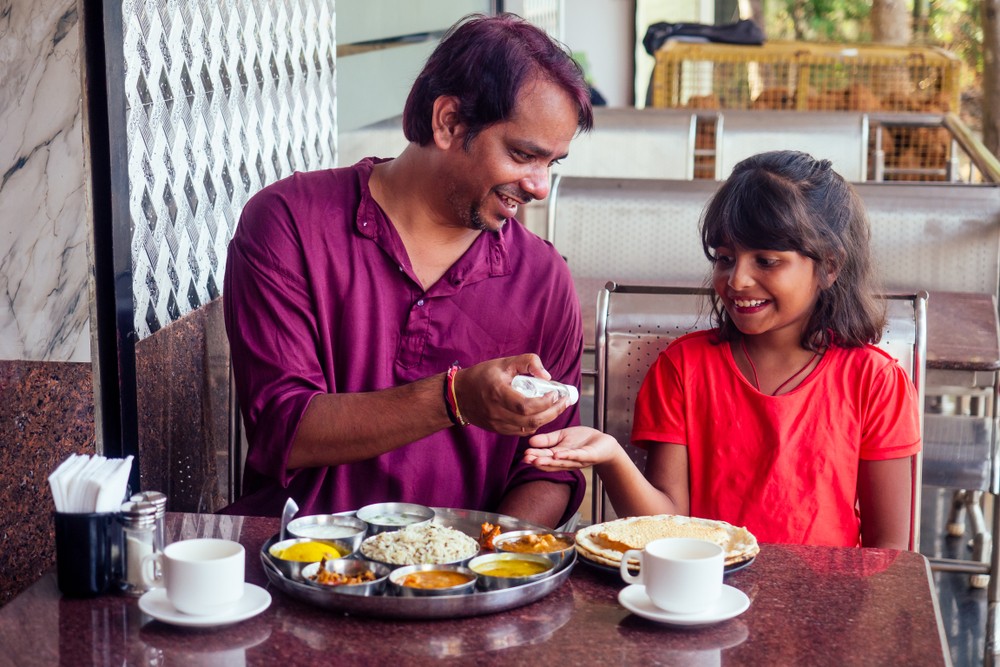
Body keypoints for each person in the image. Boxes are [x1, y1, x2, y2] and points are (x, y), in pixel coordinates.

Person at [222, 13, 594, 528]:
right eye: (523, 155)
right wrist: (453, 398)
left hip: (469, 583)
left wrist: (484, 563)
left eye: (551, 164)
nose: (538, 186)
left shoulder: (542, 278)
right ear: (448, 122)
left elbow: (550, 466)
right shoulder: (290, 222)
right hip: (301, 571)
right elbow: (283, 428)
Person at [525, 150, 921, 548]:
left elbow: (888, 553)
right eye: (725, 259)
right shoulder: (683, 367)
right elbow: (667, 526)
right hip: (706, 597)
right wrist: (611, 457)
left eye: (766, 261)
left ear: (830, 266)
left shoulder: (875, 381)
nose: (738, 280)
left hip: (827, 604)